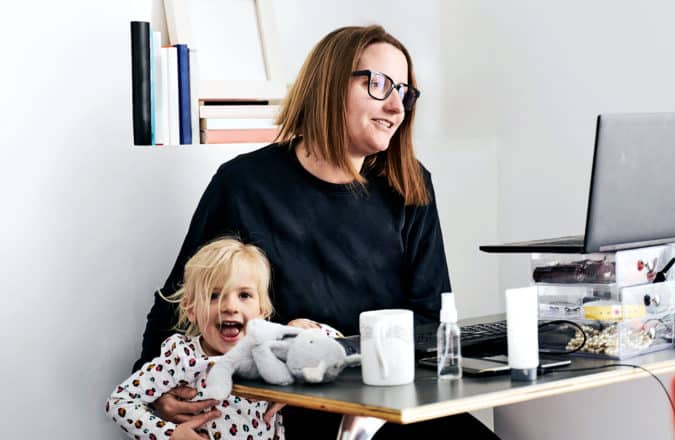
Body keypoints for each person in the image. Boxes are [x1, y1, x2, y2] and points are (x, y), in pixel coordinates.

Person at [136, 25, 499, 439]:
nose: (397, 107)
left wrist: (341, 352)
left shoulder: (411, 185)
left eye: (404, 91)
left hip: (387, 402)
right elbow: (178, 301)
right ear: (328, 84)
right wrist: (155, 392)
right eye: (379, 84)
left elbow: (430, 320)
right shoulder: (243, 185)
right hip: (282, 411)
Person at [109, 237, 292, 439]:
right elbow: (120, 401)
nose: (230, 307)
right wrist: (171, 435)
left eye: (244, 295)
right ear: (191, 310)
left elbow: (330, 350)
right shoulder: (183, 357)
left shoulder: (270, 350)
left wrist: (304, 330)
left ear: (262, 311)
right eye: (214, 295)